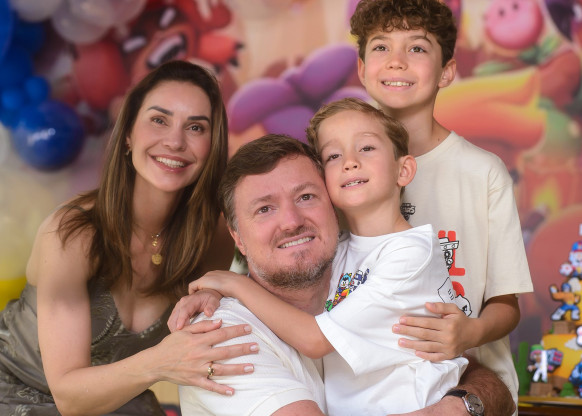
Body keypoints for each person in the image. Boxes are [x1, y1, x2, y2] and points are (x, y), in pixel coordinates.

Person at [172, 134, 516, 416]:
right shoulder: (220, 333)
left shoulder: (361, 271)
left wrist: (458, 406)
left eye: (306, 197)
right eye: (264, 209)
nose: (291, 221)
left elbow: (474, 375)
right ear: (237, 237)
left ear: (333, 206)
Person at [0, 60, 259, 416]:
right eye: (159, 120)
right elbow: (69, 398)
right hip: (16, 394)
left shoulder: (213, 235)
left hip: (118, 399)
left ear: (212, 146)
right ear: (128, 135)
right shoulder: (72, 233)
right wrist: (162, 362)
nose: (175, 141)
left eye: (196, 127)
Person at [350, 0, 534, 411]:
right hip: (372, 386)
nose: (396, 61)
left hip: (470, 384)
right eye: (381, 46)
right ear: (362, 69)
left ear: (446, 72)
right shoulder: (340, 170)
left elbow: (506, 304)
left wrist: (469, 332)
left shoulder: (483, 173)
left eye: (416, 48)